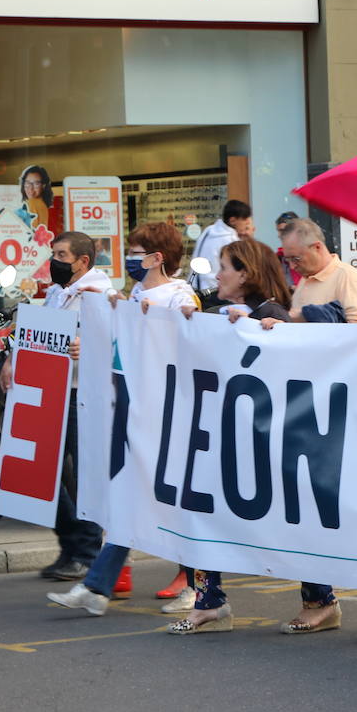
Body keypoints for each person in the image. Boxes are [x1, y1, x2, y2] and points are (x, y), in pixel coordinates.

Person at [47, 223, 200, 618]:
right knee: (126, 494)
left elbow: (187, 340)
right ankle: (99, 585)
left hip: (160, 406)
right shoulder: (134, 293)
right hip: (128, 400)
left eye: (136, 251)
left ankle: (196, 585)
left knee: (169, 498)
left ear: (157, 257)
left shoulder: (179, 294)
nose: (131, 258)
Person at [166, 238, 297, 634]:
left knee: (293, 521)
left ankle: (320, 600)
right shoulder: (223, 312)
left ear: (245, 274)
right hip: (228, 439)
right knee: (203, 512)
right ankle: (209, 601)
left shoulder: (271, 314)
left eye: (224, 266)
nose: (217, 275)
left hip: (267, 445)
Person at [2, 232, 111, 582]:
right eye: (53, 253)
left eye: (62, 254)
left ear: (83, 261)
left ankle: (87, 551)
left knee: (83, 478)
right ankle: (71, 542)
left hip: (84, 395)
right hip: (52, 393)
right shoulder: (54, 294)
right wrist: (12, 358)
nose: (55, 261)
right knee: (41, 473)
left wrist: (90, 346)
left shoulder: (101, 294)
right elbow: (39, 335)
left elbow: (120, 341)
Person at [281, 218, 357, 325]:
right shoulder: (307, 277)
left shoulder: (347, 276)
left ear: (317, 247)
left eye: (296, 259)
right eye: (287, 260)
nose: (292, 266)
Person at [190, 200, 253, 295]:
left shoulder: (208, 230)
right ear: (233, 221)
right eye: (244, 220)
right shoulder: (231, 240)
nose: (247, 223)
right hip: (215, 291)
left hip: (195, 288)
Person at [18, 164, 53, 231]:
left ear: (43, 185)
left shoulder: (31, 202)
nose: (31, 188)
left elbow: (29, 231)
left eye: (36, 184)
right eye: (27, 183)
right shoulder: (43, 204)